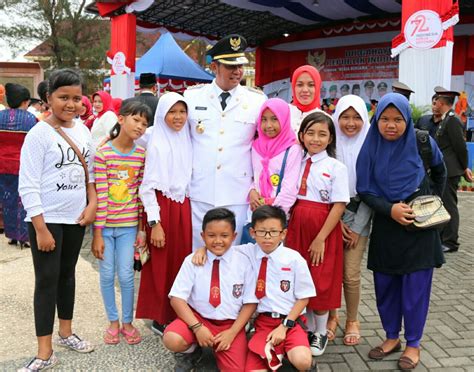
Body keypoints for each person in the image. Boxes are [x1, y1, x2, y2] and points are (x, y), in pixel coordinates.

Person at [356, 93, 446, 370]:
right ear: (377, 120)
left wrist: (427, 209)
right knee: (386, 288)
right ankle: (392, 337)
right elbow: (365, 189)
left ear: (407, 119)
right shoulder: (370, 147)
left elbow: (441, 173)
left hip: (419, 232)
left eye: (397, 119)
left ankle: (414, 343)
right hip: (386, 227)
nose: (391, 125)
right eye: (384, 119)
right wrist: (390, 209)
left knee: (415, 290)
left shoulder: (422, 142)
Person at [18, 69, 97, 371]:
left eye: (76, 98)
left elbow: (89, 173)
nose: (71, 104)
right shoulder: (38, 134)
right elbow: (28, 184)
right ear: (48, 97)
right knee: (46, 282)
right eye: (64, 97)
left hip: (75, 218)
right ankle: (44, 351)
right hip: (47, 220)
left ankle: (66, 333)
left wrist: (93, 203)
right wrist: (40, 227)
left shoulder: (83, 130)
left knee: (68, 276)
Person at [192, 205, 317, 371]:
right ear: (252, 233)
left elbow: (304, 297)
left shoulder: (294, 259)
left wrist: (284, 326)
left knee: (302, 361)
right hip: (263, 323)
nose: (267, 237)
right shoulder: (246, 252)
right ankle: (277, 356)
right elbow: (220, 245)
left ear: (283, 234)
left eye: (273, 231)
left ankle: (302, 361)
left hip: (290, 322)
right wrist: (203, 249)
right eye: (261, 231)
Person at [183, 34, 266, 249]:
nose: (237, 71)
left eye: (240, 65)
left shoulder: (257, 100)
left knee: (235, 253)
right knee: (199, 251)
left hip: (237, 191)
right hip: (201, 190)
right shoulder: (192, 97)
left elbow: (264, 149)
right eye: (230, 66)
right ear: (214, 67)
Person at [286, 111, 349, 357]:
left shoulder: (336, 167)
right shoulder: (295, 162)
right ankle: (308, 327)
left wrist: (321, 238)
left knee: (320, 277)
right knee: (300, 277)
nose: (315, 139)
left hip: (322, 228)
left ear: (331, 138)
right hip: (296, 225)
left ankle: (320, 331)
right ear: (301, 136)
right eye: (310, 133)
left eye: (322, 134)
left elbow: (339, 205)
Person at [162, 208, 258, 371]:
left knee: (236, 369)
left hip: (230, 324)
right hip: (199, 318)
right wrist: (197, 327)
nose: (218, 241)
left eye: (224, 236)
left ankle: (230, 343)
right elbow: (177, 299)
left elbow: (250, 303)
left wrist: (233, 332)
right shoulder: (193, 260)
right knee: (172, 338)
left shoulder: (244, 262)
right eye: (211, 235)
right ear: (203, 236)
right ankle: (191, 351)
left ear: (234, 236)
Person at [91, 99, 149, 346]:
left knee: (126, 276)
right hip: (105, 228)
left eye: (145, 124)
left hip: (128, 228)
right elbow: (101, 195)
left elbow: (140, 196)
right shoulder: (103, 153)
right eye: (136, 120)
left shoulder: (141, 155)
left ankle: (127, 322)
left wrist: (141, 230)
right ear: (121, 119)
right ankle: (113, 322)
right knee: (106, 275)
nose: (140, 126)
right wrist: (97, 232)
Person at [136, 93, 193, 336]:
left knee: (181, 261)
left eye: (182, 112)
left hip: (183, 206)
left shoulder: (186, 138)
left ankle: (177, 313)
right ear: (162, 114)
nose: (178, 117)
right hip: (162, 208)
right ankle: (160, 318)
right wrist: (155, 223)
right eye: (172, 112)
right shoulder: (156, 142)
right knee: (161, 263)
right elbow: (147, 187)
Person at [327, 95, 372, 346]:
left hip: (361, 214)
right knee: (330, 269)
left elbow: (372, 191)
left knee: (350, 273)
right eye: (345, 117)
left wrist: (356, 227)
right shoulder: (330, 146)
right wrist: (335, 220)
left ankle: (352, 319)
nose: (350, 123)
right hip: (332, 214)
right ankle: (332, 316)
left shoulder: (371, 146)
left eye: (356, 117)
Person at [433, 86, 472, 252]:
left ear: (442, 102)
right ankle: (443, 238)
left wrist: (464, 168)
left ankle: (451, 242)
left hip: (451, 170)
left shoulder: (453, 120)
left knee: (449, 205)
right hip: (445, 170)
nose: (434, 104)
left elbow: (460, 147)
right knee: (444, 204)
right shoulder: (446, 119)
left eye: (437, 102)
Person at [248, 98, 302, 217]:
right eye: (264, 119)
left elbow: (290, 189)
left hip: (277, 215)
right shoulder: (256, 147)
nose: (268, 125)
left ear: (284, 119)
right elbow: (254, 176)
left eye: (274, 119)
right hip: (255, 212)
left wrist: (272, 214)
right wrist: (251, 191)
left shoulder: (292, 149)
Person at [0, 83, 37, 248]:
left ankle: (11, 235)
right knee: (23, 200)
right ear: (24, 101)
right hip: (22, 165)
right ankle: (23, 236)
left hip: (2, 164)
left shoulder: (0, 116)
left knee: (7, 199)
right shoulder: (30, 119)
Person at [289, 64, 322, 133]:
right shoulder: (282, 114)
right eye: (300, 85)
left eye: (311, 85)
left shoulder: (324, 119)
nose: (305, 90)